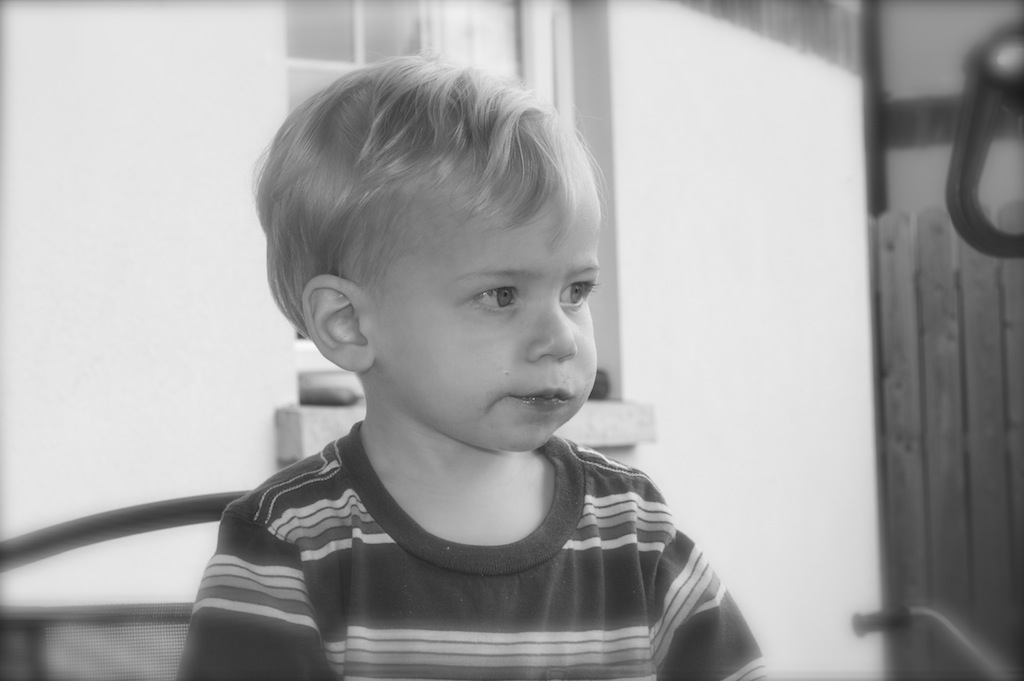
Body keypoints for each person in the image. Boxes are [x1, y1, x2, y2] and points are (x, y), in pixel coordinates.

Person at [178, 54, 765, 681]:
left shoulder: (634, 528)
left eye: (576, 291)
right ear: (348, 323)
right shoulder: (290, 544)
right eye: (501, 296)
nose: (560, 338)